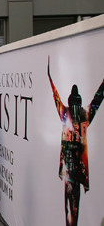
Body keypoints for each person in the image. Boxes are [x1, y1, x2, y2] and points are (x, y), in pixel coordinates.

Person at [48, 59, 104, 226]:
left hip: (69, 169)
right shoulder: (85, 115)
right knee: (74, 206)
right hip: (78, 170)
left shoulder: (65, 114)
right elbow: (97, 99)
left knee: (69, 206)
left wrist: (50, 79)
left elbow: (56, 97)